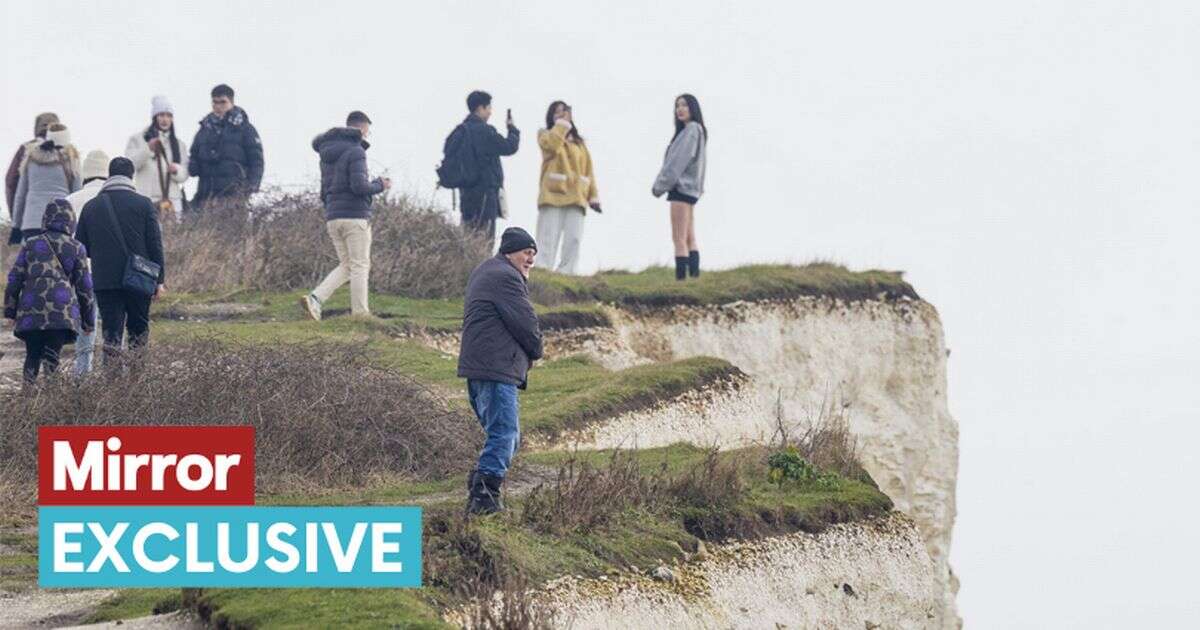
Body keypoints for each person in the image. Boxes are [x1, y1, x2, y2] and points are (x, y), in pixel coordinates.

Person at [457, 227, 542, 515]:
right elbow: (526, 322)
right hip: (495, 369)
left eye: (533, 254)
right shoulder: (506, 277)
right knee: (505, 433)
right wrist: (537, 350)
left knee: (506, 434)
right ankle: (484, 498)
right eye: (525, 253)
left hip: (480, 368)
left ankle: (478, 488)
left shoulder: (487, 270)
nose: (530, 259)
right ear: (509, 252)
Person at [299, 111, 391, 321]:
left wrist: (332, 208)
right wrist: (380, 185)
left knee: (347, 265)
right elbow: (359, 186)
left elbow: (324, 190)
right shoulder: (356, 151)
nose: (367, 136)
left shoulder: (326, 154)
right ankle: (360, 313)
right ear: (360, 129)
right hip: (355, 216)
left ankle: (315, 299)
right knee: (360, 265)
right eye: (367, 132)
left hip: (333, 216)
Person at [75, 158, 165, 363]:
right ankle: (136, 382)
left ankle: (112, 386)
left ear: (110, 175)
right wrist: (159, 280)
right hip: (140, 278)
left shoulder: (91, 207)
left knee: (111, 335)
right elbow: (155, 245)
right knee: (139, 331)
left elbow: (81, 247)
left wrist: (103, 254)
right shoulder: (144, 204)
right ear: (131, 176)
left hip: (105, 280)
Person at [4, 199, 96, 384]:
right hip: (60, 314)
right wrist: (88, 321)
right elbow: (85, 288)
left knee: (32, 356)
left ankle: (27, 400)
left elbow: (15, 278)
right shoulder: (76, 248)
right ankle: (50, 403)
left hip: (31, 310)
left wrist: (10, 311)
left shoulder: (31, 244)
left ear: (46, 219)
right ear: (72, 221)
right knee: (52, 358)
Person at [536, 101, 601, 275]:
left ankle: (568, 271)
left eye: (563, 112)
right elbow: (552, 147)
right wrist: (562, 125)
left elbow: (589, 172)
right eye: (556, 112)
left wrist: (593, 196)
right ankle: (543, 268)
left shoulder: (580, 144)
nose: (560, 115)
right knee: (548, 235)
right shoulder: (546, 135)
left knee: (574, 238)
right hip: (552, 193)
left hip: (577, 196)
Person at [652, 93, 708, 281]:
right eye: (677, 106)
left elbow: (677, 162)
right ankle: (694, 279)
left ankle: (681, 281)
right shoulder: (695, 130)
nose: (680, 109)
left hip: (681, 189)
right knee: (689, 236)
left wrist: (659, 186)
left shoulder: (691, 130)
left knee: (679, 238)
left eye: (684, 105)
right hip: (691, 190)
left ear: (693, 108)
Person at [64, 150, 110, 375]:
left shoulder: (70, 200)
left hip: (80, 272)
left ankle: (83, 373)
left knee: (86, 325)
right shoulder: (112, 198)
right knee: (112, 325)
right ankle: (113, 375)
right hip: (109, 271)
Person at [458, 90, 520, 248]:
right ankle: (482, 269)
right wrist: (512, 129)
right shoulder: (485, 131)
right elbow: (509, 147)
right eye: (489, 108)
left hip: (465, 193)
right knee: (485, 240)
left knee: (467, 237)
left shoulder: (460, 132)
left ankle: (464, 269)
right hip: (485, 194)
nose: (490, 112)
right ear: (480, 108)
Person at [188, 84, 264, 210]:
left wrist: (249, 189)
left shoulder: (245, 130)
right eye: (215, 102)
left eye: (222, 102)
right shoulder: (204, 130)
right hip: (206, 199)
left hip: (233, 200)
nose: (218, 106)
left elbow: (257, 162)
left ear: (231, 102)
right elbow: (194, 158)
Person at [11, 123, 80, 243]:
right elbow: (77, 193)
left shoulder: (31, 158)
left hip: (32, 223)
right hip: (60, 221)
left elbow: (20, 196)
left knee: (32, 260)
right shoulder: (71, 159)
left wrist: (16, 226)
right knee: (58, 261)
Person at [126, 95, 189, 221]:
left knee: (175, 237)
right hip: (146, 198)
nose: (165, 120)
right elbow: (130, 166)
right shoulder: (137, 139)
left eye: (168, 116)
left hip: (172, 201)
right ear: (154, 117)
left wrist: (176, 170)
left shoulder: (179, 144)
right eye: (161, 115)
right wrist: (148, 149)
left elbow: (185, 174)